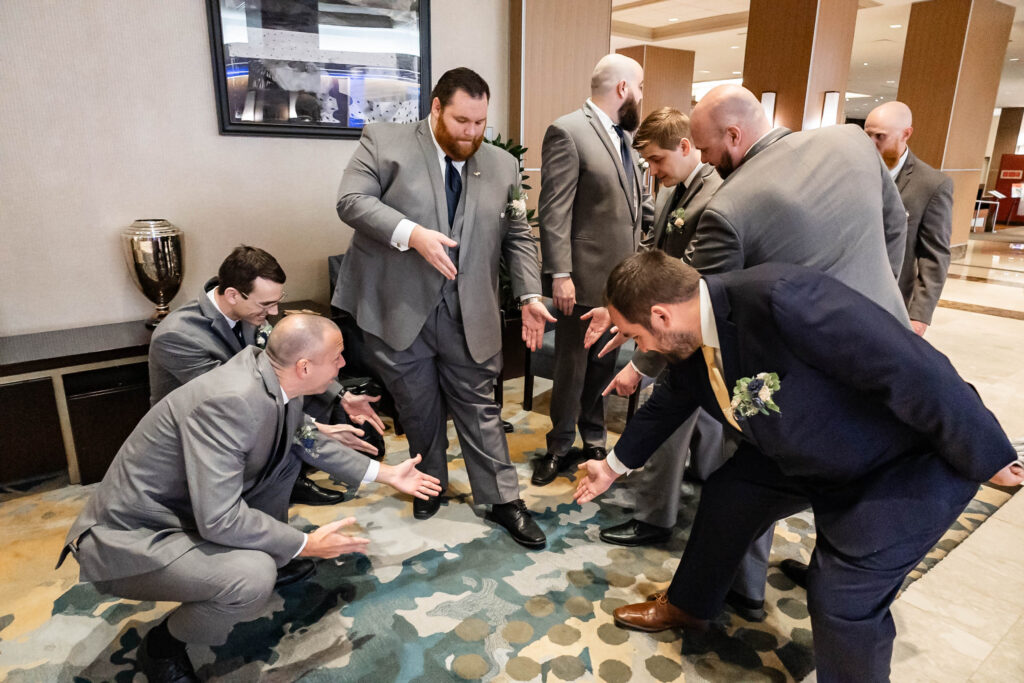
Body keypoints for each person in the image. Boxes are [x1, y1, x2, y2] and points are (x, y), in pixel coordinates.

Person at [575, 251, 1022, 683]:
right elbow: (670, 401)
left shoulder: (782, 297)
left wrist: (989, 453)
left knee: (842, 600)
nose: (641, 349)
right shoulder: (690, 341)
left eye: (636, 336)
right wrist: (611, 468)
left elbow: (910, 366)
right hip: (805, 449)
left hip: (900, 462)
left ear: (661, 316)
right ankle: (689, 606)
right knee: (731, 494)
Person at [586, 84, 915, 620]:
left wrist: (640, 348)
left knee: (778, 474)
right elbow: (895, 224)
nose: (706, 159)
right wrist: (876, 314)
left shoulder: (728, 207)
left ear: (734, 136)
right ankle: (732, 594)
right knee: (750, 488)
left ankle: (762, 592)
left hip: (800, 380)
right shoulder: (850, 141)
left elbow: (688, 315)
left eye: (706, 147)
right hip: (886, 359)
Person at [58, 315, 442, 683]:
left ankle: (271, 555)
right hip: (132, 537)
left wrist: (387, 474)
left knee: (285, 461)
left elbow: (304, 438)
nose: (343, 364)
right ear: (304, 367)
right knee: (252, 576)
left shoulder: (274, 376)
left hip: (187, 511)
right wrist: (305, 543)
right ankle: (161, 648)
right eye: (337, 356)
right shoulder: (231, 402)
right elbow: (220, 519)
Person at [333, 67, 555, 548]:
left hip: (469, 312)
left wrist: (530, 295)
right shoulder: (383, 141)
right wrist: (412, 234)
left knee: (480, 407)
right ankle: (428, 480)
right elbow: (351, 201)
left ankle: (503, 499)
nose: (472, 133)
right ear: (436, 108)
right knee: (417, 406)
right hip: (398, 309)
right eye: (461, 121)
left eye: (480, 122)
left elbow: (517, 235)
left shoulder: (502, 165)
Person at [149, 245, 385, 507]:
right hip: (203, 431)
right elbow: (234, 402)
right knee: (289, 414)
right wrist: (316, 429)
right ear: (233, 295)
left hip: (246, 408)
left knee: (306, 388)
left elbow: (284, 363)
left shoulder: (249, 313)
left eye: (277, 300)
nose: (274, 312)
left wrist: (342, 396)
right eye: (266, 304)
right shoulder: (177, 336)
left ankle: (287, 477)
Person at [597, 107, 726, 548]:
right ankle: (705, 480)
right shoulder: (673, 191)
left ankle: (654, 517)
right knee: (703, 416)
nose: (652, 171)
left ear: (686, 147)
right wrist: (620, 312)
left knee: (668, 422)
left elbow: (683, 288)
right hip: (672, 325)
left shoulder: (716, 198)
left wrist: (640, 363)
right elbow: (651, 257)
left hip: (692, 331)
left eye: (656, 159)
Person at [531, 53, 654, 486]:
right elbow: (554, 211)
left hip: (620, 284)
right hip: (580, 279)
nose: (641, 95)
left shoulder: (625, 138)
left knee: (603, 362)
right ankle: (558, 445)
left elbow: (635, 208)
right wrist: (560, 274)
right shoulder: (568, 131)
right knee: (572, 366)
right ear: (623, 88)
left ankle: (594, 436)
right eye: (640, 87)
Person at [865, 100, 954, 336]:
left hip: (893, 303)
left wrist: (919, 316)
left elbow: (934, 256)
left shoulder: (932, 185)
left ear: (906, 134)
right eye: (867, 135)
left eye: (880, 136)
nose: (871, 143)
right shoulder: (853, 171)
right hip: (847, 295)